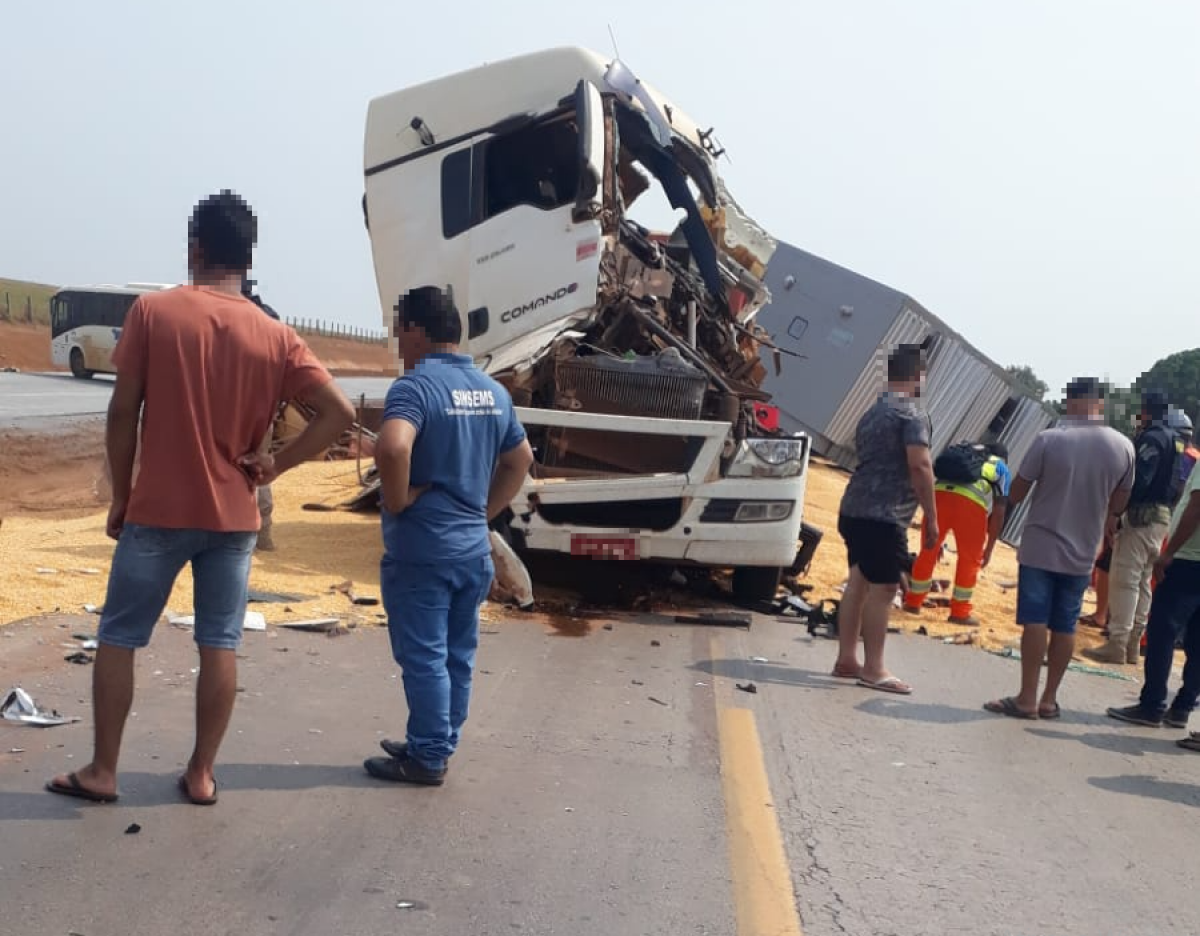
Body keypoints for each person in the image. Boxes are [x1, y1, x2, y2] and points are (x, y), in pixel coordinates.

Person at [46, 191, 354, 806]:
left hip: (158, 510)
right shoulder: (277, 335)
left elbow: (123, 411)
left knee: (120, 636)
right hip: (234, 517)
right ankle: (201, 773)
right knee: (220, 643)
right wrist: (275, 465)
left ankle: (104, 770)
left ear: (195, 248)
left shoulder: (153, 313)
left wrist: (121, 494)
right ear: (247, 258)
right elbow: (339, 413)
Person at [365, 285, 534, 786]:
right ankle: (435, 741)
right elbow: (520, 460)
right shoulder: (492, 391)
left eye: (399, 333)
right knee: (457, 656)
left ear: (416, 330)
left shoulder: (415, 388)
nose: (399, 344)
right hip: (471, 552)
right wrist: (482, 513)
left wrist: (398, 500)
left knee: (424, 658)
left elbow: (393, 448)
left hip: (423, 551)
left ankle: (428, 756)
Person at [984, 377, 1134, 719]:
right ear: (1100, 404)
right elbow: (1120, 501)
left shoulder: (1050, 439)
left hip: (1040, 545)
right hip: (1084, 550)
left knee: (1035, 620)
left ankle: (1026, 698)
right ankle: (1049, 700)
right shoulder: (1124, 447)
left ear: (1074, 402)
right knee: (1066, 624)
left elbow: (1017, 491)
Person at [832, 343, 937, 696]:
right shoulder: (911, 415)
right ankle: (874, 668)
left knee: (858, 583)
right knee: (885, 589)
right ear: (917, 375)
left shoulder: (873, 412)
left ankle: (847, 658)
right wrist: (931, 517)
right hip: (885, 515)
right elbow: (920, 465)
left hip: (854, 508)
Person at [1085, 389, 1183, 664]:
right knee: (1142, 583)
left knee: (1125, 580)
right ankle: (1131, 646)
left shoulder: (1152, 438)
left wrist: (1117, 512)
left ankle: (1117, 643)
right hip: (1162, 518)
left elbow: (1140, 480)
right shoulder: (1175, 440)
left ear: (1147, 410)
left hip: (1141, 518)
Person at [1107, 453, 1200, 730]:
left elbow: (1196, 506)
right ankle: (1182, 707)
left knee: (1162, 631)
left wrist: (1169, 552)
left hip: (1189, 560)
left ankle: (1152, 705)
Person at [903, 441, 1011, 625]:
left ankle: (913, 603)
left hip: (938, 497)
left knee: (928, 551)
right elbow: (999, 512)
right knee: (969, 560)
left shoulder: (965, 455)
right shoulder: (1001, 467)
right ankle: (959, 613)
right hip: (970, 506)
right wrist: (989, 548)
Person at [242, 275, 282, 551]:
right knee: (259, 464)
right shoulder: (270, 318)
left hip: (237, 407)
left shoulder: (234, 318)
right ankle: (263, 535)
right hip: (264, 406)